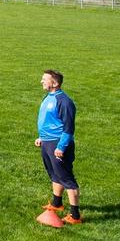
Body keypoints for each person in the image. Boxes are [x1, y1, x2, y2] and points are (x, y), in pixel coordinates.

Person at [36, 69, 81, 224]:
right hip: (48, 142)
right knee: (55, 174)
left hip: (58, 144)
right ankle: (57, 203)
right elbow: (49, 121)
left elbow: (68, 128)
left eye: (44, 79)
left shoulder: (64, 102)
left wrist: (61, 147)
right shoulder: (48, 97)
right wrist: (42, 137)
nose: (41, 81)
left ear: (54, 83)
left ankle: (75, 216)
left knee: (67, 178)